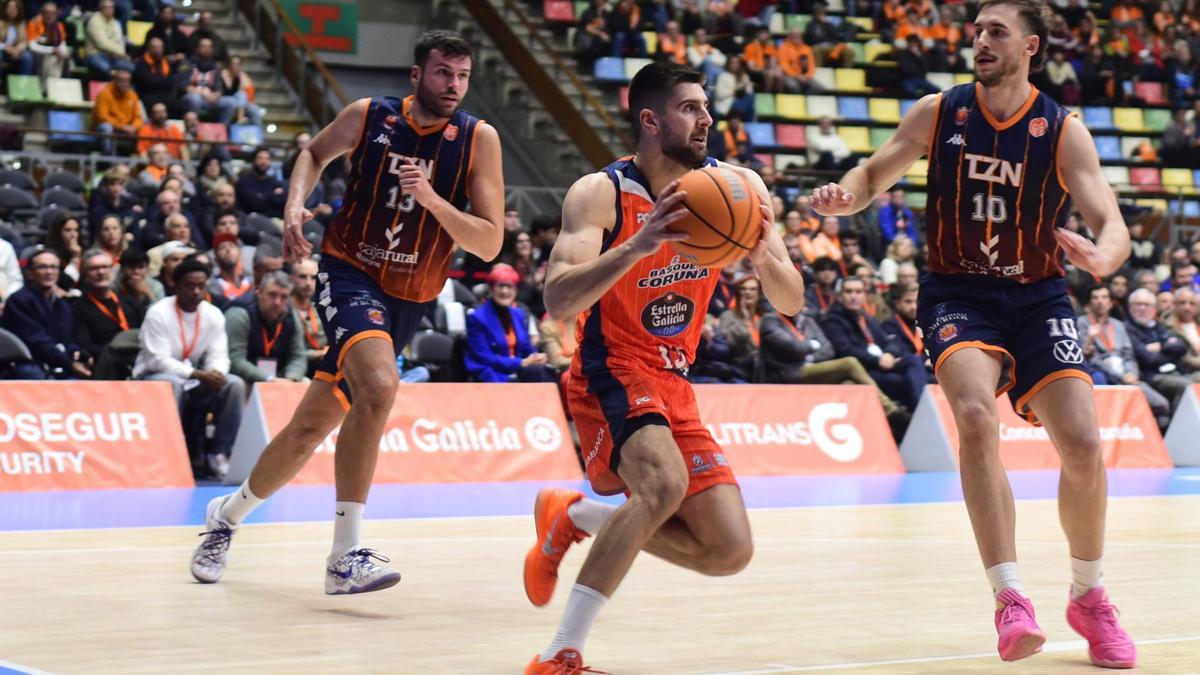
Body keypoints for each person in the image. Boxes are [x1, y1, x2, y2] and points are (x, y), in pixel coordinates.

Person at [821, 0, 1141, 665]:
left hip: (1038, 293)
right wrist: (846, 195)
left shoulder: (1062, 130)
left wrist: (1104, 256)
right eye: (977, 33)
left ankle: (1089, 595)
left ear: (1031, 47)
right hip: (958, 291)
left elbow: (1112, 225)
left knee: (1083, 443)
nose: (981, 42)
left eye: (997, 32)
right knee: (973, 414)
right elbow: (875, 172)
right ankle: (1011, 597)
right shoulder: (940, 112)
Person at [190, 31, 504, 594]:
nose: (453, 85)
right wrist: (292, 206)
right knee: (380, 387)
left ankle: (224, 517)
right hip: (350, 271)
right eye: (442, 73)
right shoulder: (369, 116)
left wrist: (433, 200)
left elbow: (488, 242)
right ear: (416, 75)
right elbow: (312, 153)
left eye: (462, 74)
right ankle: (344, 555)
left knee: (309, 427)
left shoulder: (479, 140)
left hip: (411, 297)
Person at [523, 61, 804, 672]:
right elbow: (558, 300)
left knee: (728, 551)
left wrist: (761, 255)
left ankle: (575, 515)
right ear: (650, 119)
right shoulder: (599, 192)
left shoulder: (737, 189)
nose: (706, 119)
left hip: (674, 379)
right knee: (662, 486)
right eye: (690, 108)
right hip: (609, 369)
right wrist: (639, 244)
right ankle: (560, 654)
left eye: (706, 107)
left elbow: (792, 301)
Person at [133, 256, 243, 479]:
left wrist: (217, 373)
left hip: (193, 378)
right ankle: (166, 454)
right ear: (175, 286)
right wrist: (198, 374)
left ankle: (219, 453)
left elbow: (219, 355)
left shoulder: (213, 314)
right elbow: (157, 360)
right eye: (189, 286)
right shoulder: (158, 313)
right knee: (171, 383)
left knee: (234, 384)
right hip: (152, 378)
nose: (195, 292)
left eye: (200, 286)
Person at [0, 246, 91, 379]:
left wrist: (76, 352)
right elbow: (37, 342)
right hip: (28, 365)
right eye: (42, 267)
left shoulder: (63, 305)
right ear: (29, 273)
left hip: (58, 363)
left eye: (54, 267)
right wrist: (69, 364)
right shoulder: (18, 301)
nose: (49, 272)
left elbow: (68, 339)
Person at [464, 264, 553, 382]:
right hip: (491, 372)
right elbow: (484, 357)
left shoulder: (519, 314)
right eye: (500, 286)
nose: (505, 291)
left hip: (518, 369)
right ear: (491, 289)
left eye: (509, 286)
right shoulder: (477, 317)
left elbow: (526, 346)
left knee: (547, 374)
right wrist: (521, 362)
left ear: (515, 291)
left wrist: (536, 357)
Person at [225, 270, 306, 386]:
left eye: (284, 297)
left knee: (304, 384)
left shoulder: (291, 317)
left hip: (280, 378)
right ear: (259, 292)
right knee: (237, 384)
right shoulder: (239, 313)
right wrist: (269, 379)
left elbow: (298, 357)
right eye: (272, 295)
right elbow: (235, 360)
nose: (277, 302)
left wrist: (292, 378)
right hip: (245, 377)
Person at [72, 248, 143, 379]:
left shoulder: (131, 302)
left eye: (105, 267)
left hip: (138, 358)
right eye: (94, 268)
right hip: (106, 363)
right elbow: (85, 344)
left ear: (112, 270)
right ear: (85, 274)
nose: (101, 272)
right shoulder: (78, 308)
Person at [289, 257, 326, 377]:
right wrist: (317, 354)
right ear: (291, 279)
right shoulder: (282, 311)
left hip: (320, 368)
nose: (308, 283)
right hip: (291, 370)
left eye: (313, 278)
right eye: (302, 276)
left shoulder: (321, 311)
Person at [93, 68, 143, 155]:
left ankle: (138, 159)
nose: (125, 83)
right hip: (106, 128)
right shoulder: (104, 94)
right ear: (115, 81)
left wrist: (134, 127)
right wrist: (122, 127)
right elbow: (102, 117)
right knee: (106, 127)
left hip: (127, 128)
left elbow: (138, 117)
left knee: (143, 127)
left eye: (127, 81)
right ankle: (107, 158)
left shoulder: (132, 95)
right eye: (122, 81)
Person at [84, 0, 130, 81]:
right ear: (100, 9)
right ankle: (108, 91)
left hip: (114, 57)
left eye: (111, 7)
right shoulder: (94, 21)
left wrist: (121, 53)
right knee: (105, 69)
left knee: (131, 68)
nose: (109, 10)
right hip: (95, 55)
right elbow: (102, 44)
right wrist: (121, 53)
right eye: (106, 8)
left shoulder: (115, 23)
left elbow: (120, 41)